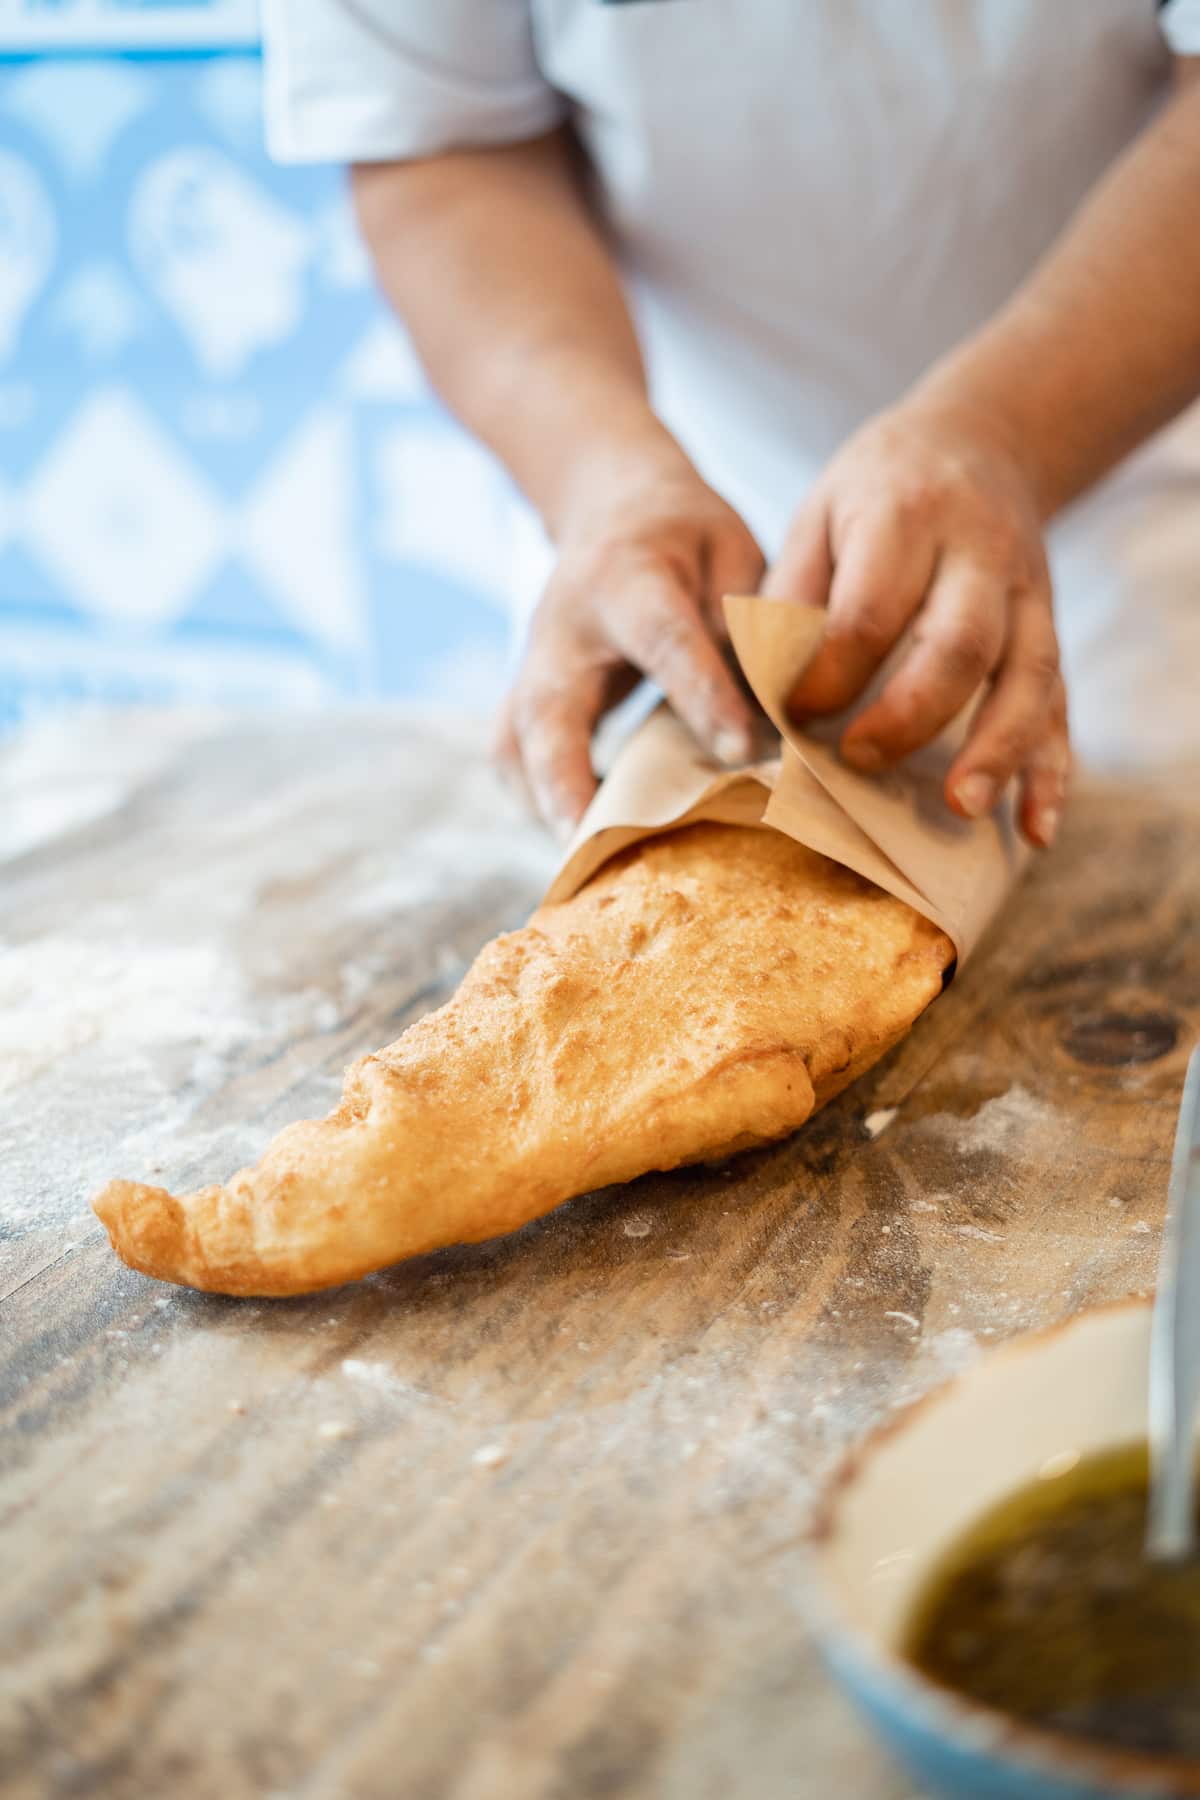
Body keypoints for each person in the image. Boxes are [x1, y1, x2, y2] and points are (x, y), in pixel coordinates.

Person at [263, 2, 1200, 848]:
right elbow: (443, 145)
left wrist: (1007, 432)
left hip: (1127, 489)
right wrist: (603, 477)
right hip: (661, 506)